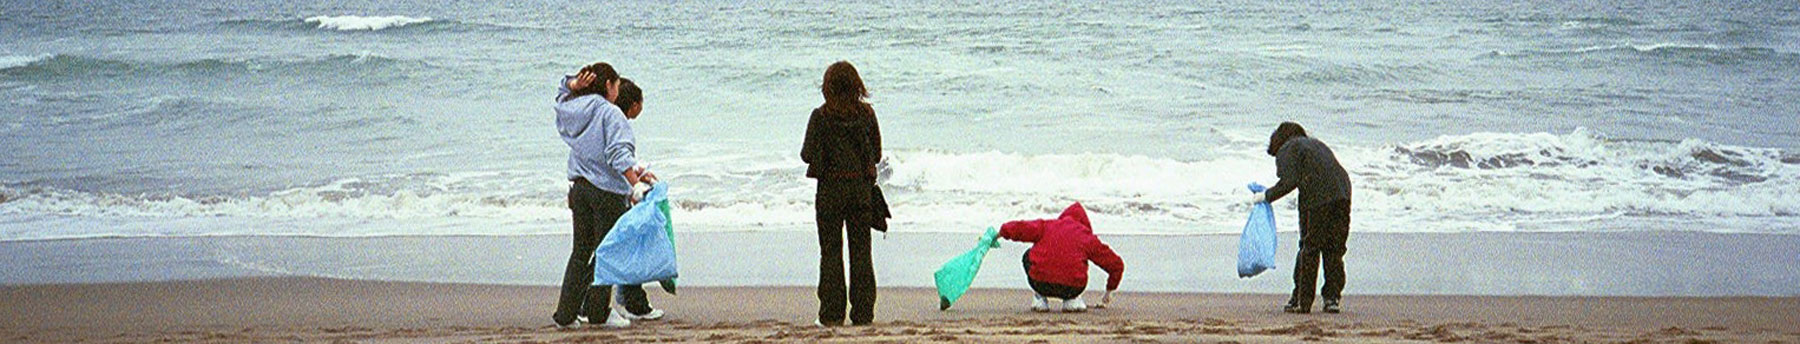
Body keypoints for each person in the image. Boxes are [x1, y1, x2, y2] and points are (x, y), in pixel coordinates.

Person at [553, 63, 662, 329]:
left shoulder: (572, 108)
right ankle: (598, 313)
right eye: (615, 84)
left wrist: (571, 85)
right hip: (606, 193)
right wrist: (636, 184)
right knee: (605, 253)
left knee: (580, 252)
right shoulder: (610, 113)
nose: (617, 89)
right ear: (608, 86)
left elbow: (559, 96)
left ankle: (565, 316)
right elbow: (617, 155)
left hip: (579, 188)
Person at [801, 61, 884, 327]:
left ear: (827, 88)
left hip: (829, 193)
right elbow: (877, 154)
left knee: (830, 253)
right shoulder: (867, 115)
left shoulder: (820, 116)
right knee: (861, 253)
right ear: (857, 85)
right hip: (860, 192)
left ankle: (831, 314)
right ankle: (863, 314)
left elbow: (806, 155)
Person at [1244, 121, 1353, 314]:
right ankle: (1332, 299)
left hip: (1318, 196)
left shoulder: (1288, 148)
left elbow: (1289, 181)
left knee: (1309, 248)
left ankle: (1301, 301)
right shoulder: (1315, 144)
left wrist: (1266, 196)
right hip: (1343, 192)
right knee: (1334, 249)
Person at [998, 202, 1124, 313]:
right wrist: (1108, 292)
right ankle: (1071, 301)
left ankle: (1040, 298)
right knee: (1079, 262)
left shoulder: (1047, 226)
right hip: (1072, 288)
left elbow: (1020, 228)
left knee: (1028, 255)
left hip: (1040, 283)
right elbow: (1116, 265)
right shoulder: (1086, 237)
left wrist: (1000, 233)